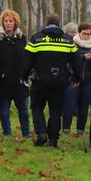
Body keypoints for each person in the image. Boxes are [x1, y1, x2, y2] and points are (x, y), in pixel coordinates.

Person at [22, 13, 83, 148]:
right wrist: (78, 77)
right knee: (56, 110)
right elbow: (77, 61)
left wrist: (23, 76)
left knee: (37, 107)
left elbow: (26, 60)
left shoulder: (36, 39)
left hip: (40, 81)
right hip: (60, 81)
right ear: (59, 23)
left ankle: (41, 133)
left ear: (46, 22)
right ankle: (53, 139)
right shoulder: (68, 40)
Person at [0, 9, 31, 139]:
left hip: (19, 80)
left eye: (10, 21)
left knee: (24, 110)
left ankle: (26, 133)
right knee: (4, 110)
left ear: (15, 23)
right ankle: (7, 133)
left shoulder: (21, 38)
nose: (8, 23)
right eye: (6, 21)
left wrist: (24, 74)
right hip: (3, 81)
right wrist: (1, 73)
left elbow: (26, 57)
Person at [63, 21, 91, 136]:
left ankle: (80, 130)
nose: (86, 36)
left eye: (89, 34)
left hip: (88, 80)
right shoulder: (72, 43)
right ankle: (66, 129)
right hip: (74, 80)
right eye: (84, 33)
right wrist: (83, 57)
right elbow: (67, 62)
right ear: (78, 32)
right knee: (70, 105)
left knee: (84, 106)